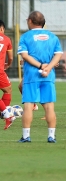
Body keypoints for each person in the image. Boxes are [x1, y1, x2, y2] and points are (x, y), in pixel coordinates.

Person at [17, 11, 62, 143]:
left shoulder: (26, 37)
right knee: (49, 106)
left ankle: (26, 136)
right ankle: (51, 136)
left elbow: (25, 56)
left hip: (31, 75)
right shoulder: (53, 36)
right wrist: (48, 67)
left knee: (28, 105)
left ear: (30, 21)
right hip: (48, 76)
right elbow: (58, 55)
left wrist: (41, 66)